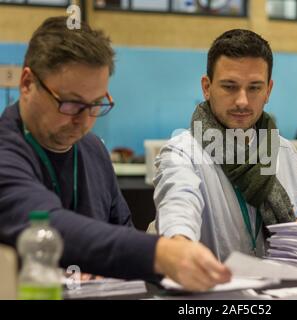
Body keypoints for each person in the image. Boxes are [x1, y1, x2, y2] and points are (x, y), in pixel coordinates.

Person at [0, 16, 231, 292]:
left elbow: (122, 230)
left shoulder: (92, 148)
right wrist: (160, 253)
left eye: (96, 104)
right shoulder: (6, 150)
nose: (84, 120)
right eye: (71, 104)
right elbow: (45, 225)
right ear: (27, 83)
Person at [153, 29, 297, 262]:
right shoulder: (182, 154)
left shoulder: (284, 152)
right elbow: (178, 206)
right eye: (229, 86)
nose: (242, 101)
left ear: (268, 90)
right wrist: (179, 243)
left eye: (254, 88)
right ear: (206, 87)